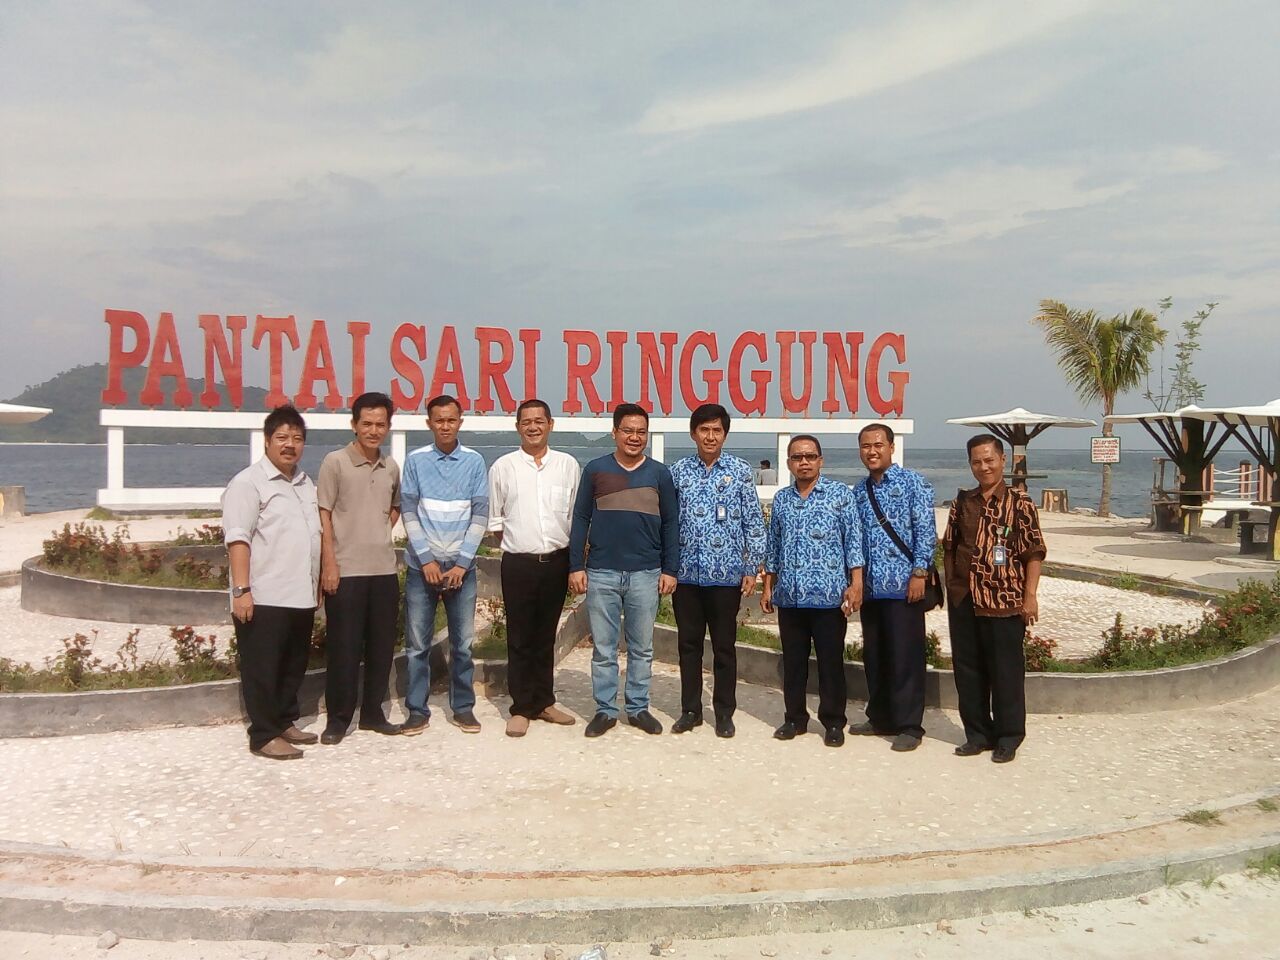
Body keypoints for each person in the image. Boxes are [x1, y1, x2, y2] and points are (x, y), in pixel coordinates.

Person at [569, 402, 679, 738]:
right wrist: (576, 565)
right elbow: (581, 518)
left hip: (646, 573)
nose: (634, 437)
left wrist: (670, 569)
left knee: (642, 647)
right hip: (602, 571)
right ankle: (604, 710)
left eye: (641, 432)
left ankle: (637, 707)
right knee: (603, 648)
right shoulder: (596, 469)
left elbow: (672, 523)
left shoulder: (660, 473)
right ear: (615, 432)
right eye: (627, 430)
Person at [221, 405, 322, 760]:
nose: (289, 444)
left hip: (301, 593)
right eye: (282, 437)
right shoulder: (248, 483)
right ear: (267, 441)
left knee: (292, 663)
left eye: (297, 438)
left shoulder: (305, 483)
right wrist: (241, 590)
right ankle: (263, 733)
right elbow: (238, 539)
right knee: (262, 666)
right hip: (264, 594)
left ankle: (284, 721)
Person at [943, 434, 1046, 764]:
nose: (983, 466)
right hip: (965, 600)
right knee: (968, 670)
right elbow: (949, 546)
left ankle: (1008, 735)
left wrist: (1030, 596)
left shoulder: (1021, 504)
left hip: (1005, 600)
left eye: (989, 460)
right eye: (976, 461)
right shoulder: (963, 503)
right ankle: (976, 733)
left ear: (1003, 461)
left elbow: (1034, 551)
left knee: (1006, 672)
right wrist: (953, 587)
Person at [668, 403, 766, 738]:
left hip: (727, 576)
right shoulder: (677, 472)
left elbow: (754, 523)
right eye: (704, 430)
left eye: (717, 430)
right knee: (689, 646)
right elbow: (668, 524)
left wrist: (752, 567)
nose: (711, 437)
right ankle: (691, 710)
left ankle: (724, 712)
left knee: (725, 646)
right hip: (686, 577)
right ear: (693, 433)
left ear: (725, 434)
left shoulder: (739, 471)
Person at [488, 398, 581, 737]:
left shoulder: (567, 465)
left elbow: (573, 515)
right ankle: (521, 707)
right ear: (518, 427)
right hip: (518, 564)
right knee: (520, 636)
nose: (533, 427)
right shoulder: (503, 467)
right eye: (526, 421)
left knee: (546, 635)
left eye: (539, 421)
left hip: (556, 561)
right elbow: (497, 522)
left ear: (550, 424)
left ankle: (544, 701)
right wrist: (522, 546)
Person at [762, 435, 863, 747]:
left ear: (821, 460)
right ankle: (794, 718)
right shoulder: (782, 499)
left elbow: (853, 542)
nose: (803, 462)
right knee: (793, 661)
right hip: (790, 596)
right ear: (789, 462)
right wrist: (768, 587)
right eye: (797, 457)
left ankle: (833, 722)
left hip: (829, 596)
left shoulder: (839, 496)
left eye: (809, 456)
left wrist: (856, 583)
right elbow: (773, 546)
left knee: (830, 662)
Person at [316, 392, 403, 745]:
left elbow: (395, 507)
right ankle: (338, 718)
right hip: (346, 570)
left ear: (388, 426)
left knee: (381, 648)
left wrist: (380, 531)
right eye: (366, 423)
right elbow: (323, 515)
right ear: (354, 425)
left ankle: (372, 713)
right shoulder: (334, 462)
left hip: (383, 570)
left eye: (380, 424)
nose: (373, 430)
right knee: (344, 648)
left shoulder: (391, 466)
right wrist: (329, 563)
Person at [400, 394, 489, 735]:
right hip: (422, 568)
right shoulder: (416, 460)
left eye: (451, 419)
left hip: (460, 571)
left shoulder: (474, 461)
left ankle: (463, 707)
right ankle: (416, 710)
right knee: (417, 644)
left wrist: (461, 564)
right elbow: (409, 511)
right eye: (439, 420)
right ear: (429, 423)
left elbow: (479, 514)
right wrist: (426, 560)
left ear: (460, 422)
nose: (445, 425)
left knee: (463, 644)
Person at [850, 423, 937, 752]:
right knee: (876, 655)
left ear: (891, 447)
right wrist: (855, 583)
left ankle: (910, 725)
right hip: (872, 588)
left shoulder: (913, 482)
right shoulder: (859, 492)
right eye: (865, 446)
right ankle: (880, 716)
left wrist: (919, 572)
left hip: (904, 586)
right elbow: (855, 540)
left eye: (877, 445)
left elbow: (925, 529)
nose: (871, 451)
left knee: (906, 656)